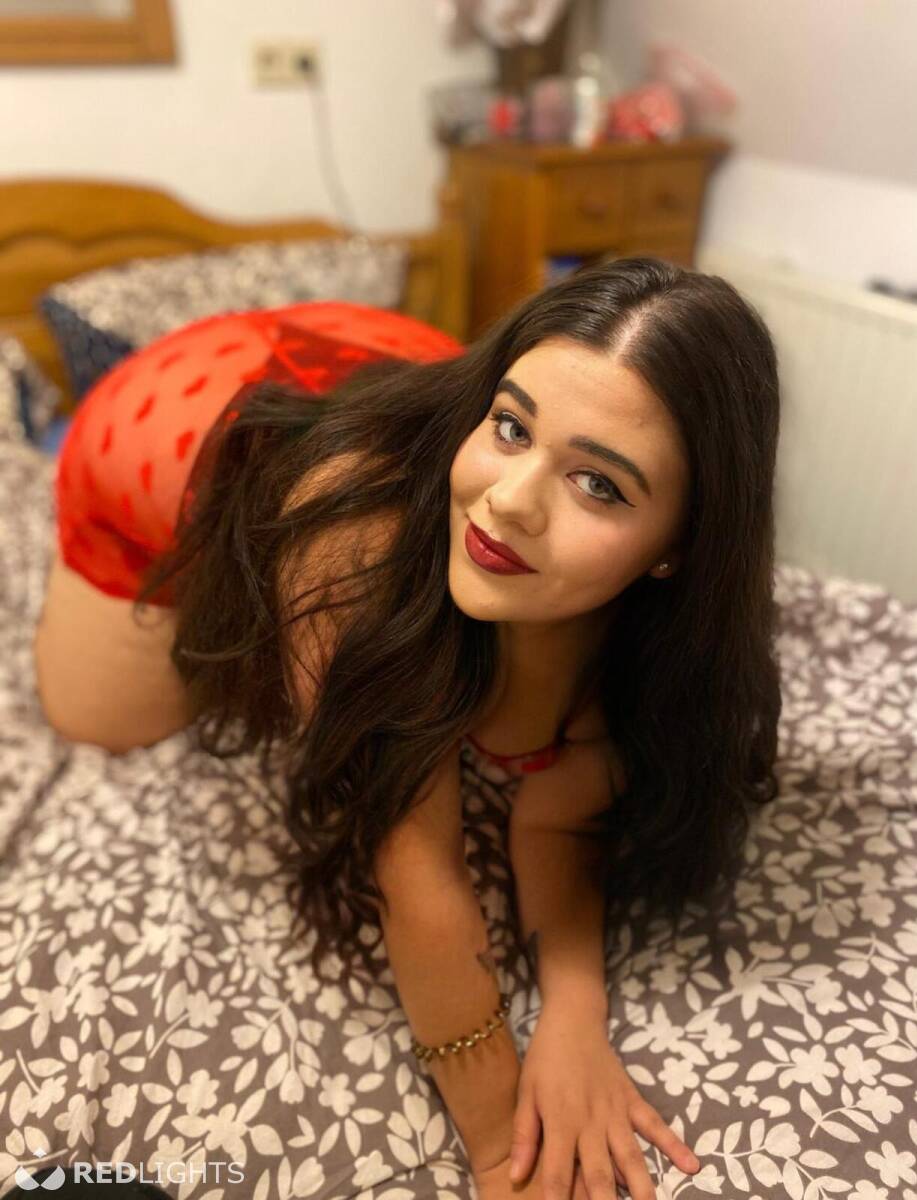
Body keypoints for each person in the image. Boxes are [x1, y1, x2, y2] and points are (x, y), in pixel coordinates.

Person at [33, 258, 782, 1200]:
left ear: (682, 544)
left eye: (598, 484)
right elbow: (416, 869)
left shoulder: (653, 623)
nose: (510, 501)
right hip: (172, 418)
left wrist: (574, 1016)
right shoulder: (356, 539)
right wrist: (504, 1156)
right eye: (510, 425)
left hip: (375, 363)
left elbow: (562, 807)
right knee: (103, 719)